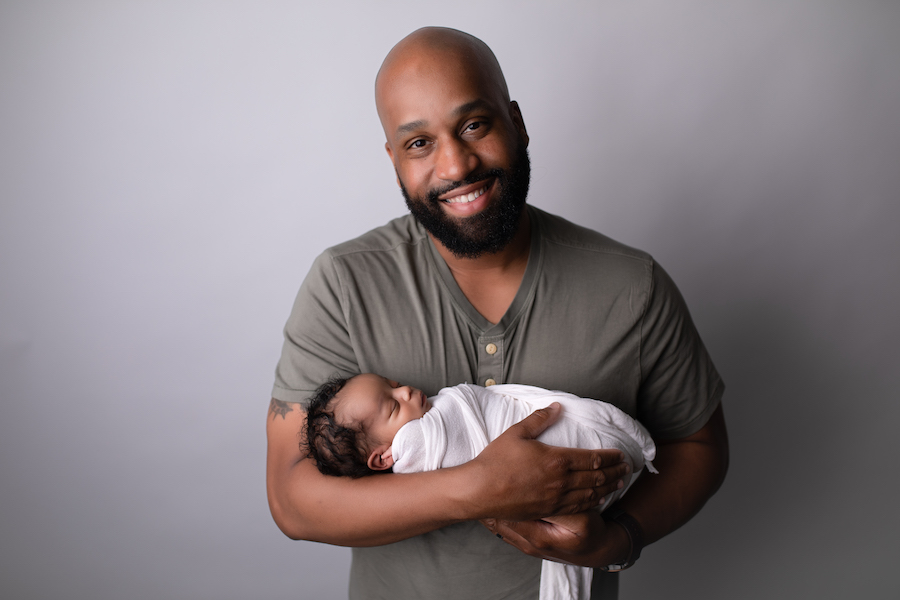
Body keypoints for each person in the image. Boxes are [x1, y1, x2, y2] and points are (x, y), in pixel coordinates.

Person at [267, 26, 729, 600]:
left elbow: (699, 447)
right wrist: (479, 488)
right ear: (394, 161)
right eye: (419, 143)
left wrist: (619, 541)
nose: (456, 165)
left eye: (473, 125)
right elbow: (293, 499)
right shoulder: (344, 283)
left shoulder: (633, 286)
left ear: (517, 121)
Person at [304, 373, 659, 600]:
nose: (406, 390)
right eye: (393, 404)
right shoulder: (415, 447)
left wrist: (615, 543)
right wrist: (482, 485)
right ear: (383, 459)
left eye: (393, 384)